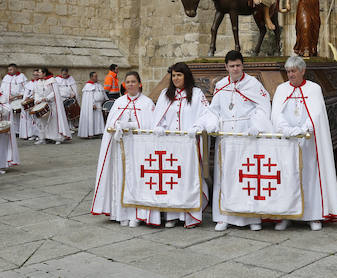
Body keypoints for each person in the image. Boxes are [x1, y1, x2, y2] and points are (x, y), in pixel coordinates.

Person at [195, 50, 272, 232]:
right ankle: (224, 217)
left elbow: (263, 106)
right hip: (227, 139)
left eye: (238, 65)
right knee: (226, 177)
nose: (235, 69)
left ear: (242, 65)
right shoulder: (221, 85)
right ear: (226, 67)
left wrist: (257, 125)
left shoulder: (253, 84)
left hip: (247, 137)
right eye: (232, 66)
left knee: (248, 176)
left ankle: (252, 217)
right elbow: (214, 110)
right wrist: (212, 123)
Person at [271, 56, 337, 230]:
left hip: (309, 143)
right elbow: (276, 114)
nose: (290, 75)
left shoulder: (314, 89)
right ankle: (287, 215)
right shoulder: (281, 89)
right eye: (288, 72)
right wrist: (287, 130)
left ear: (303, 71)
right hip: (287, 142)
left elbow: (317, 114)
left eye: (293, 71)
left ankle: (314, 216)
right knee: (288, 178)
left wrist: (304, 130)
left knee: (310, 178)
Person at [90, 70, 159, 227]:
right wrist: (116, 125)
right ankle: (120, 213)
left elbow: (150, 126)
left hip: (139, 150)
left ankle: (137, 214)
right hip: (120, 150)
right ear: (124, 84)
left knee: (137, 180)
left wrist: (131, 125)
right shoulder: (119, 102)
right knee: (120, 179)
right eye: (127, 82)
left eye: (133, 81)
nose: (130, 84)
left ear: (140, 84)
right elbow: (110, 124)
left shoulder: (147, 103)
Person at [151, 62, 209, 228]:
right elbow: (158, 117)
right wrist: (159, 127)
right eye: (174, 75)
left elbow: (206, 114)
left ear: (186, 76)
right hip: (170, 146)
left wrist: (198, 126)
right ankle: (172, 215)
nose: (176, 78)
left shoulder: (197, 94)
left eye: (179, 75)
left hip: (189, 146)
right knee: (171, 179)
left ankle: (190, 216)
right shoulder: (165, 94)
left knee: (189, 180)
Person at [32, 67, 71, 145]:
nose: (37, 74)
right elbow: (36, 92)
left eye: (39, 72)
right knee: (42, 122)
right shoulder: (37, 82)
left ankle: (57, 138)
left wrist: (47, 98)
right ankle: (42, 138)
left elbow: (55, 92)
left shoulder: (52, 81)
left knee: (53, 122)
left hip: (52, 104)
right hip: (42, 104)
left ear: (44, 73)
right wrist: (37, 100)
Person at [0, 63, 27, 137]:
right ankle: (12, 130)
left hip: (18, 99)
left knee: (18, 116)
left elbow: (25, 89)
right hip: (8, 100)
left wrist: (17, 96)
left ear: (15, 69)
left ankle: (19, 131)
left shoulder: (22, 77)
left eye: (11, 69)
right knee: (10, 116)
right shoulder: (6, 77)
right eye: (8, 70)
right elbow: (2, 89)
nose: (9, 71)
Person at [78, 71, 107, 138]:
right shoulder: (88, 86)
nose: (97, 77)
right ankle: (91, 132)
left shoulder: (99, 84)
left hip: (99, 105)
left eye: (97, 76)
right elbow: (89, 97)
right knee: (92, 119)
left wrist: (106, 101)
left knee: (99, 119)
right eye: (95, 76)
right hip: (93, 106)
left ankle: (98, 132)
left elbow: (103, 93)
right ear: (91, 77)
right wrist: (92, 104)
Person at [19, 69, 40, 140]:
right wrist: (24, 100)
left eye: (37, 75)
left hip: (37, 102)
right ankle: (32, 134)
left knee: (37, 119)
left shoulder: (41, 83)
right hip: (30, 103)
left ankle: (39, 135)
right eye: (34, 75)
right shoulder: (29, 84)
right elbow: (26, 94)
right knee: (30, 120)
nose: (35, 76)